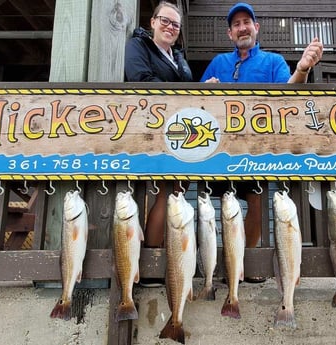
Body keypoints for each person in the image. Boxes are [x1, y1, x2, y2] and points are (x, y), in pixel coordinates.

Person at [201, 2, 324, 283]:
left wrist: (303, 69)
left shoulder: (273, 61)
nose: (242, 27)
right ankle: (228, 265)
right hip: (221, 150)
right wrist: (206, 91)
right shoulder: (218, 63)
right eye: (236, 24)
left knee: (256, 202)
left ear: (256, 28)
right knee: (222, 208)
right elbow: (197, 104)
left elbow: (288, 95)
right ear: (230, 34)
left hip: (258, 150)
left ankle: (249, 263)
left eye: (247, 22)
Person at [125, 1, 192, 287]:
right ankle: (151, 264)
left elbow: (188, 88)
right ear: (152, 22)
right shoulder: (138, 46)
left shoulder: (178, 56)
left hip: (180, 131)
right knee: (164, 192)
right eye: (165, 21)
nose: (170, 27)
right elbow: (140, 79)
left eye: (175, 24)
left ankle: (171, 260)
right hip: (152, 128)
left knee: (177, 192)